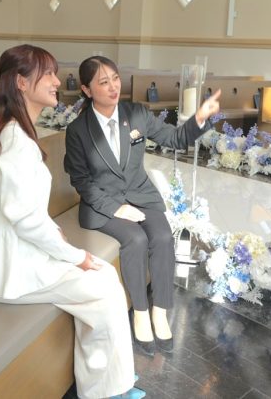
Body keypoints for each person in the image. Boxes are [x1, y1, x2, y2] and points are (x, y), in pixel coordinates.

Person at [0, 45, 145, 399]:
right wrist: (76, 255)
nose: (57, 81)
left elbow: (23, 212)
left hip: (20, 252)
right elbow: (25, 220)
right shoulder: (16, 139)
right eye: (47, 73)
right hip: (10, 268)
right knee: (103, 285)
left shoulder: (15, 130)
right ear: (21, 82)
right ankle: (108, 389)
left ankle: (110, 383)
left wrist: (57, 236)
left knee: (105, 278)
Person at [64, 56, 221, 356]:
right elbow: (81, 181)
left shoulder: (136, 114)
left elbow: (175, 139)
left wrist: (200, 117)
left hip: (141, 195)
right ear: (86, 89)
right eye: (103, 82)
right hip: (102, 205)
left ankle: (160, 311)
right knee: (135, 239)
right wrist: (116, 209)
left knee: (162, 236)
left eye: (115, 78)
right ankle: (139, 312)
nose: (113, 87)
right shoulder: (78, 130)